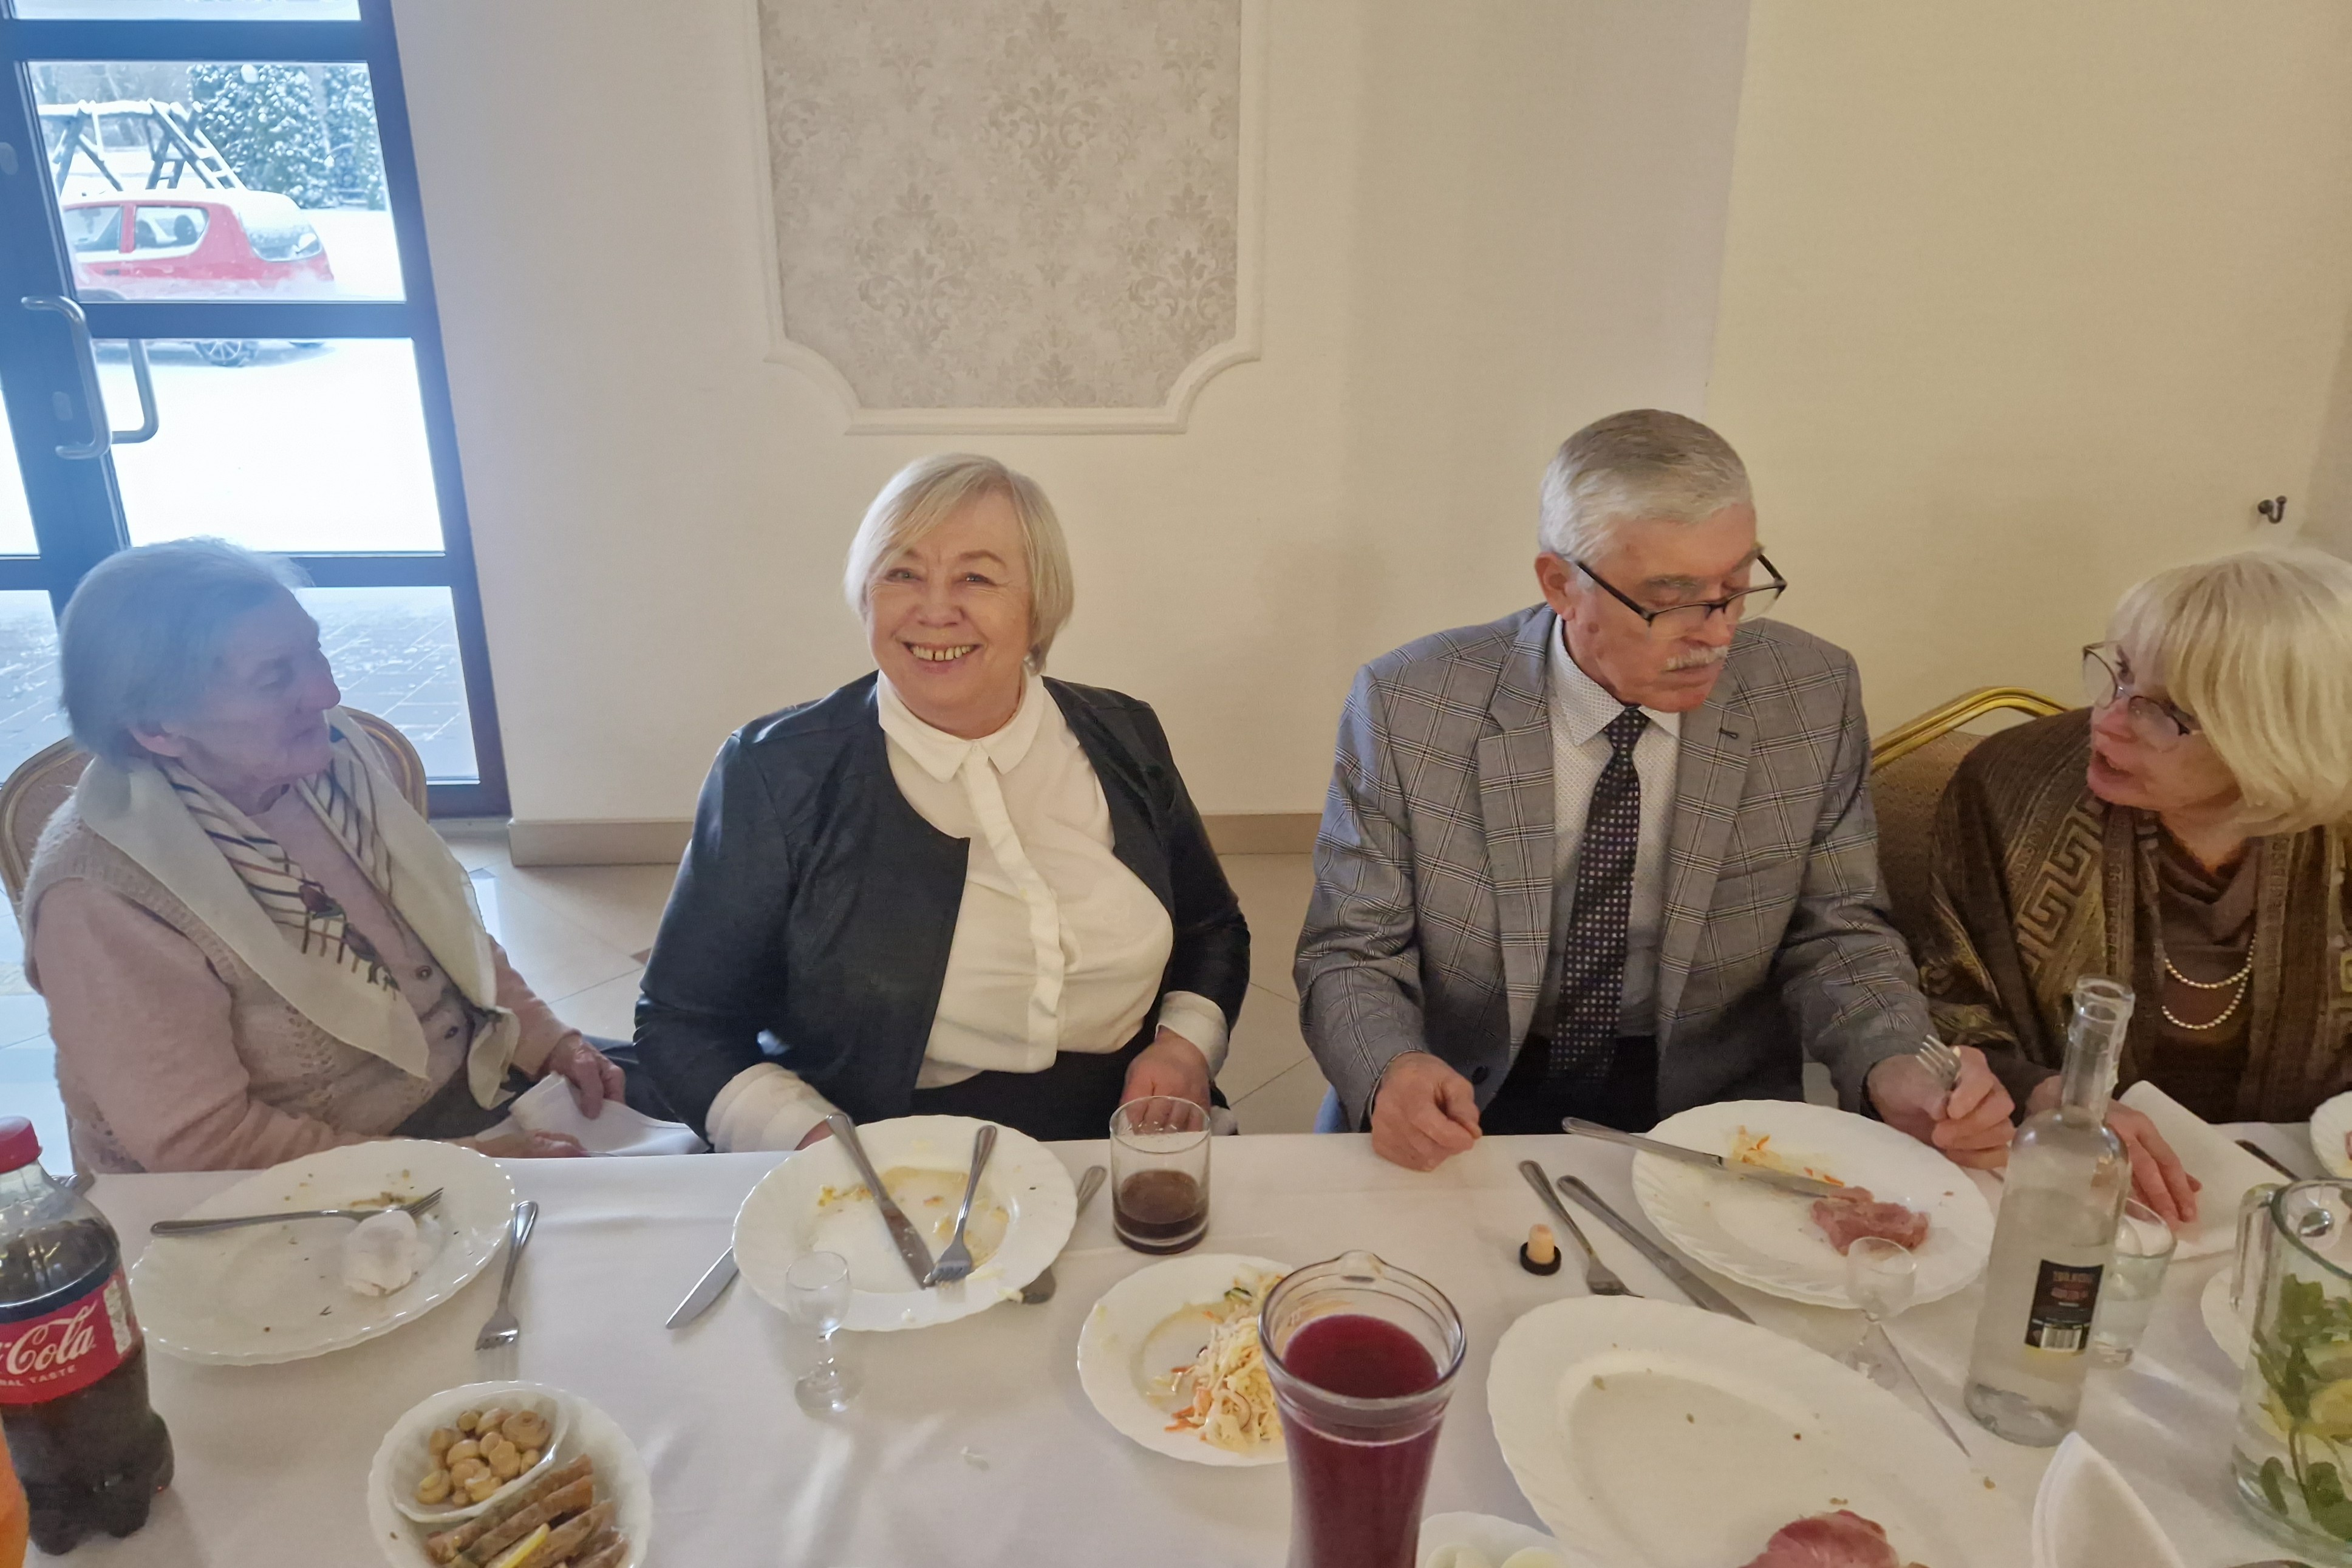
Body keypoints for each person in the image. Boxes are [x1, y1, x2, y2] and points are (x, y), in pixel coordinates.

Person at [1296, 409, 2013, 1171]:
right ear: (1561, 584)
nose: (1717, 633)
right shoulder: (1412, 705)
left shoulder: (1809, 694)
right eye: (1671, 599)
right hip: (1467, 1083)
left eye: (1736, 586)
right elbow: (1353, 948)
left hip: (1710, 1099)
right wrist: (1391, 1067)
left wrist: (1895, 1061)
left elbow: (1838, 933)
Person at [636, 454, 1249, 1148]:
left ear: (1039, 604)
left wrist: (1184, 1046)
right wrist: (814, 1141)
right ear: (865, 594)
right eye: (901, 573)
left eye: (975, 577)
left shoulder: (1124, 734)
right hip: (890, 1149)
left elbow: (1211, 927)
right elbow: (682, 1023)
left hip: (1131, 1132)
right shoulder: (775, 771)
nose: (933, 610)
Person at [24, 539, 627, 1174]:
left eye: (314, 651)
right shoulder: (101, 898)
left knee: (688, 1098)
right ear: (157, 728)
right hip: (303, 1175)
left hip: (471, 1085)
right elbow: (203, 1145)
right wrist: (470, 1162)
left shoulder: (334, 758)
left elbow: (449, 934)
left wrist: (547, 1037)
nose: (326, 691)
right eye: (274, 677)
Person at [1920, 548, 2352, 1227]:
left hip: (2306, 1200)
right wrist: (2047, 1095)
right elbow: (1943, 1017)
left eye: (2167, 711)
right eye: (2119, 674)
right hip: (2052, 1188)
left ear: (2276, 740)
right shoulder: (2011, 794)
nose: (2109, 719)